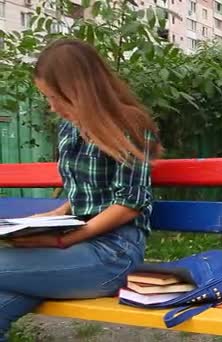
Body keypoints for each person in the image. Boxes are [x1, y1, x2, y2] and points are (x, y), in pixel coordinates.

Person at [0, 38, 163, 340]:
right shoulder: (68, 127)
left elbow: (130, 203)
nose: (52, 106)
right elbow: (81, 192)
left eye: (54, 97)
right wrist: (49, 219)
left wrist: (63, 241)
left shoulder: (128, 123)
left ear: (79, 90)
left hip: (113, 253)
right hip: (75, 246)